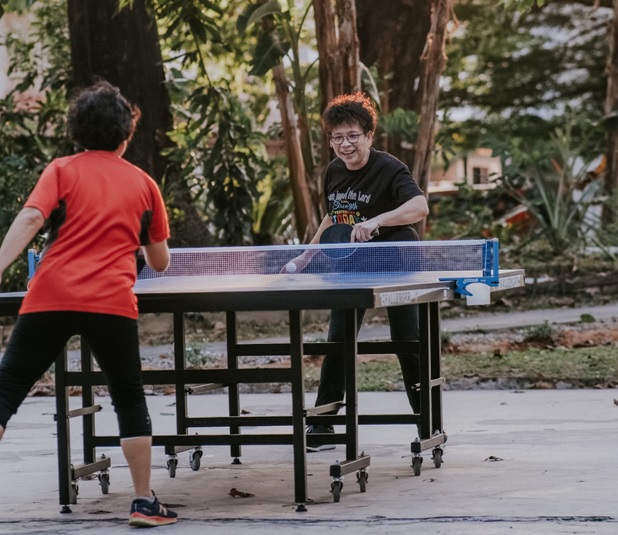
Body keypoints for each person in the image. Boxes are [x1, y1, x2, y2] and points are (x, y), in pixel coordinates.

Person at [0, 81, 177, 527]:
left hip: (51, 294)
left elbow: (31, 217)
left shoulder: (60, 170)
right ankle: (143, 502)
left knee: (5, 390)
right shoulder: (144, 184)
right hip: (111, 303)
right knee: (129, 399)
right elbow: (159, 261)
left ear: (78, 131)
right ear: (126, 134)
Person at [291, 92, 429, 452]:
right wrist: (307, 254)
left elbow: (419, 206)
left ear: (369, 135)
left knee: (408, 343)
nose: (345, 144)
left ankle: (427, 422)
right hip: (351, 267)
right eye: (337, 137)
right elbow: (333, 217)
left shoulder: (390, 168)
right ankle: (322, 425)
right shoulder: (334, 171)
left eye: (353, 135)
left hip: (396, 263)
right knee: (338, 341)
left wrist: (377, 221)